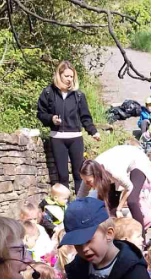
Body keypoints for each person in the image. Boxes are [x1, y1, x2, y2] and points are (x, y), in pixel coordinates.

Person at [37, 60, 100, 193]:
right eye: (67, 76)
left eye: (72, 76)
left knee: (79, 174)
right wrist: (51, 119)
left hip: (75, 138)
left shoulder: (78, 95)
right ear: (59, 76)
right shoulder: (48, 93)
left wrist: (93, 131)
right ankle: (65, 206)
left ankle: (79, 204)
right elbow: (41, 114)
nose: (69, 79)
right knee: (63, 176)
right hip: (57, 138)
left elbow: (85, 117)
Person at [78, 145, 151, 229]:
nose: (87, 184)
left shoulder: (113, 172)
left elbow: (129, 187)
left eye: (88, 182)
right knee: (109, 207)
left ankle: (141, 237)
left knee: (132, 201)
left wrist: (119, 208)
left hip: (137, 159)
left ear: (96, 175)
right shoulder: (87, 172)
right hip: (115, 163)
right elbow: (80, 197)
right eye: (84, 181)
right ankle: (113, 236)